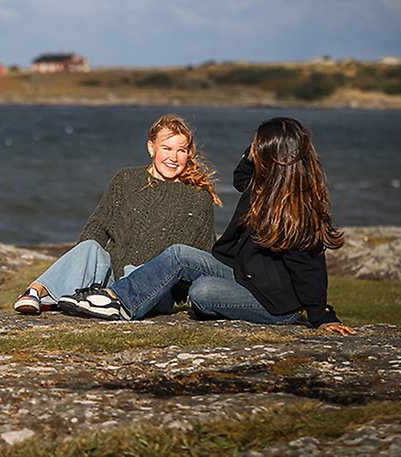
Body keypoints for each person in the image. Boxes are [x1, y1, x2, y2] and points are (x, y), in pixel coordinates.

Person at [57, 117, 356, 336]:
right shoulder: (262, 184)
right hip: (242, 275)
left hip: (275, 304)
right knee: (179, 254)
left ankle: (117, 302)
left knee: (203, 292)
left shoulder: (297, 208)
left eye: (257, 145)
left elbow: (310, 268)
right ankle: (117, 299)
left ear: (272, 154)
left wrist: (321, 315)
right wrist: (249, 155)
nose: (251, 147)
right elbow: (241, 178)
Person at [14, 114, 220, 315]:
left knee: (136, 270)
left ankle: (92, 300)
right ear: (151, 147)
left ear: (188, 154)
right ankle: (35, 292)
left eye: (181, 150)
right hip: (112, 275)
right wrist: (84, 267)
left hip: (152, 286)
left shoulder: (198, 197)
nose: (173, 158)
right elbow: (97, 227)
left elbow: (200, 255)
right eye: (166, 148)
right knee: (89, 247)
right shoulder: (126, 180)